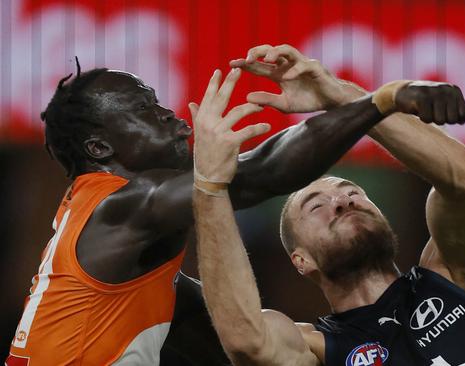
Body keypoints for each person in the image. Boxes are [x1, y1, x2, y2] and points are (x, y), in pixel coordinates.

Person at [6, 56, 393, 365]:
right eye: (144, 109)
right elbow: (263, 173)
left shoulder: (123, 246)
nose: (168, 114)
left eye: (157, 101)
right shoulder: (125, 206)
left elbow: (229, 336)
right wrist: (379, 102)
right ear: (99, 149)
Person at [194, 45, 465, 365]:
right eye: (317, 206)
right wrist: (209, 185)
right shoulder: (318, 348)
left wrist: (348, 98)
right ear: (301, 260)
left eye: (353, 193)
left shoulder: (458, 276)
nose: (343, 201)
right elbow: (245, 339)